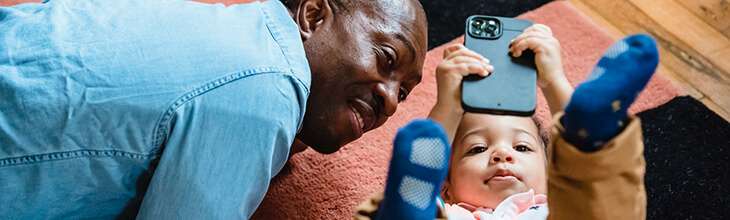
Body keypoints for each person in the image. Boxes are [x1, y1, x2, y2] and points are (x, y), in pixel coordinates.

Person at [0, 0, 427, 218]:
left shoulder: (237, 29)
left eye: (405, 93)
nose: (390, 100)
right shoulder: (266, 94)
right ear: (313, 15)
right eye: (386, 58)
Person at [355, 24, 658, 220]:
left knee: (594, 195)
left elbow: (580, 183)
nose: (502, 154)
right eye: (476, 149)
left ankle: (588, 132)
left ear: (553, 169)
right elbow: (430, 152)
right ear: (446, 185)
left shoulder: (558, 205)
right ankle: (408, 211)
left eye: (524, 147)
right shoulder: (450, 210)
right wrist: (448, 106)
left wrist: (554, 81)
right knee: (418, 200)